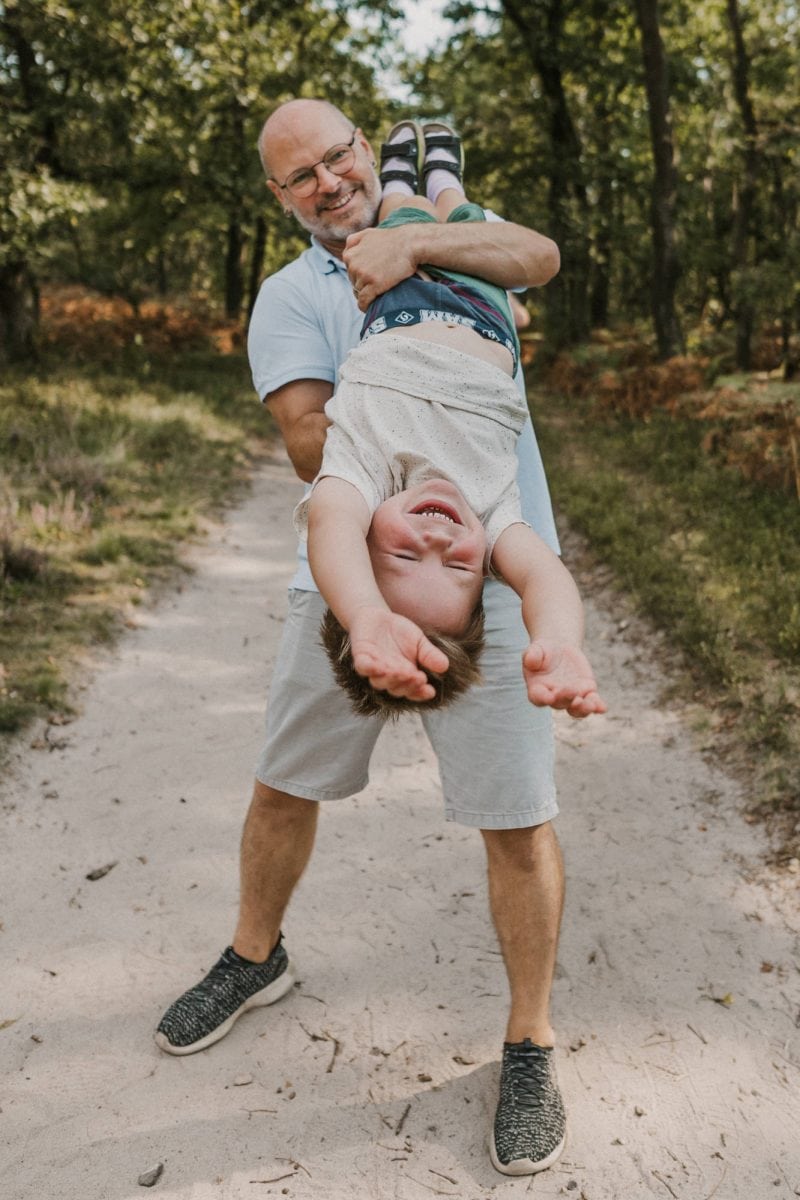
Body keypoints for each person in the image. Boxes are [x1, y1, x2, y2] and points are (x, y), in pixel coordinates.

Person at [155, 98, 589, 1178]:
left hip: (482, 576)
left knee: (514, 813)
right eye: (298, 176)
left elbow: (532, 258)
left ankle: (527, 1037)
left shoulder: (463, 242)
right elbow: (312, 451)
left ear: (362, 151)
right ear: (279, 197)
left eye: (338, 155)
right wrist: (377, 583)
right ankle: (256, 955)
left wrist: (409, 249)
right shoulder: (288, 296)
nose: (324, 181)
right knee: (283, 782)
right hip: (360, 568)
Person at [298, 147, 604, 722]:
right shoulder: (490, 517)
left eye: (405, 554)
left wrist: (364, 612)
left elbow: (327, 525)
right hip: (483, 312)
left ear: (365, 541)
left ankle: (398, 173)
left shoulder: (363, 473)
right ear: (484, 567)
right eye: (460, 569)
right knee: (465, 217)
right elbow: (544, 577)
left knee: (408, 212)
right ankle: (446, 172)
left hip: (402, 297)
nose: (437, 542)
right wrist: (562, 641)